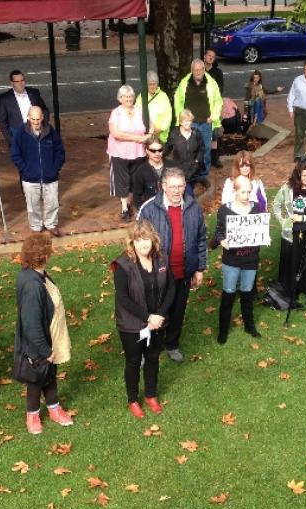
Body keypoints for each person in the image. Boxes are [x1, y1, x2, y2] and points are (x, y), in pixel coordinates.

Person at [136, 168, 206, 363]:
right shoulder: (149, 209)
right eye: (173, 186)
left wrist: (200, 268)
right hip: (156, 275)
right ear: (163, 186)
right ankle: (147, 349)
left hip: (183, 272)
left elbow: (201, 238)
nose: (177, 191)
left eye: (181, 186)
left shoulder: (193, 207)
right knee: (154, 313)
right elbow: (137, 242)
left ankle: (172, 344)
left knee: (177, 312)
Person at [112, 220, 174, 419]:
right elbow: (123, 298)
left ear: (153, 239)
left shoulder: (162, 258)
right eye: (138, 240)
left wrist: (160, 315)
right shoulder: (123, 265)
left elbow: (172, 288)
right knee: (133, 361)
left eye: (146, 238)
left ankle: (151, 394)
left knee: (153, 358)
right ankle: (133, 399)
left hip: (158, 322)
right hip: (132, 324)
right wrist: (147, 317)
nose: (143, 244)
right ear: (132, 243)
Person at [14, 233, 73, 434]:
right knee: (36, 380)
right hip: (39, 344)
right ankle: (32, 416)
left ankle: (54, 408)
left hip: (49, 338)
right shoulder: (32, 284)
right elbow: (30, 324)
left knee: (49, 374)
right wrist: (45, 350)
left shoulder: (37, 274)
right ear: (45, 255)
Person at [211, 175, 263, 344]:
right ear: (234, 191)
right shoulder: (225, 210)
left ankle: (249, 325)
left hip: (251, 258)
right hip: (232, 258)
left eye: (249, 192)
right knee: (229, 293)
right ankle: (223, 330)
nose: (247, 196)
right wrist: (222, 241)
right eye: (243, 192)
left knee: (247, 292)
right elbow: (219, 232)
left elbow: (261, 228)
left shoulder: (256, 208)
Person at [272, 160, 306, 304]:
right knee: (291, 260)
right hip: (291, 233)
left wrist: (302, 217)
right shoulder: (287, 187)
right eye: (303, 175)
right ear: (297, 174)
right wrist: (284, 221)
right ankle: (291, 290)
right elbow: (276, 204)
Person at [11, 106, 65, 236]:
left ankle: (51, 224)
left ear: (42, 118)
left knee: (52, 202)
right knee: (32, 205)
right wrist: (25, 169)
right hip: (30, 177)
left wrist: (55, 168)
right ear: (28, 118)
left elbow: (60, 152)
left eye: (38, 119)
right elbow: (15, 154)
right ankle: (36, 227)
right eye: (33, 119)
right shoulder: (20, 133)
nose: (36, 122)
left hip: (50, 176)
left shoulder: (50, 131)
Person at [107, 85, 151, 221]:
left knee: (135, 180)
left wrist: (148, 135)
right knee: (122, 181)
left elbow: (151, 125)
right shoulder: (116, 113)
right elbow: (116, 134)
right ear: (120, 98)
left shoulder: (140, 110)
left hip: (138, 152)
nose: (129, 99)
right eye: (125, 97)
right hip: (119, 153)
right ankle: (124, 208)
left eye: (131, 96)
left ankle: (133, 204)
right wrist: (137, 138)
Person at [173, 59, 222, 180]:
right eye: (196, 70)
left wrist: (213, 117)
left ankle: (204, 175)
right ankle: (192, 175)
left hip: (206, 123)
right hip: (190, 124)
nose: (198, 72)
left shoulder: (211, 83)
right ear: (192, 70)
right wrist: (182, 118)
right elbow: (177, 101)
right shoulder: (184, 83)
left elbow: (218, 101)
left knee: (205, 150)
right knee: (191, 150)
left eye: (201, 69)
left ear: (204, 70)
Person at [0, 70, 49, 140]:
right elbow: (2, 122)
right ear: (12, 83)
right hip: (19, 136)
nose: (20, 83)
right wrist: (12, 141)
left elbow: (44, 110)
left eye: (22, 80)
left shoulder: (34, 93)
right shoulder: (4, 98)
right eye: (17, 81)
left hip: (38, 132)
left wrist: (44, 126)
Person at [164, 110, 204, 190]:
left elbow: (201, 148)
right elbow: (167, 149)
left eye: (190, 121)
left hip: (193, 170)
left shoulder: (196, 133)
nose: (188, 123)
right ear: (181, 122)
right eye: (186, 121)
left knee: (190, 190)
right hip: (179, 169)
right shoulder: (174, 134)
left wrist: (197, 161)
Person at [136, 70, 173, 142]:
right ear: (146, 85)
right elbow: (137, 114)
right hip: (146, 134)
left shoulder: (163, 96)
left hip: (160, 134)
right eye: (150, 84)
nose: (152, 86)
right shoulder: (141, 97)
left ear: (157, 84)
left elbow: (168, 115)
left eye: (154, 84)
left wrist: (160, 128)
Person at [131, 137, 167, 210]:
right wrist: (143, 210)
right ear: (147, 150)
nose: (157, 153)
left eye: (160, 150)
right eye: (153, 151)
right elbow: (137, 195)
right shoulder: (140, 171)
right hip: (152, 209)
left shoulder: (172, 166)